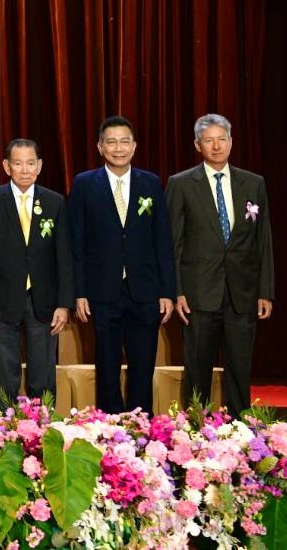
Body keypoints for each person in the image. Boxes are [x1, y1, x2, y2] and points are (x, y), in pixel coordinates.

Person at [68, 116, 175, 415]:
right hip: (102, 290)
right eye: (111, 142)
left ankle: (142, 424)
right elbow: (75, 242)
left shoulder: (150, 183)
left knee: (143, 363)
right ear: (100, 147)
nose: (119, 148)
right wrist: (79, 292)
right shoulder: (84, 184)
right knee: (107, 364)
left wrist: (167, 291)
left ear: (134, 146)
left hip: (145, 289)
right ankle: (111, 425)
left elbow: (163, 241)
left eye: (125, 142)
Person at [168, 114, 275, 410]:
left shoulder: (253, 183)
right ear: (197, 145)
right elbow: (173, 243)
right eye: (208, 141)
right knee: (197, 370)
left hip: (242, 293)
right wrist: (176, 291)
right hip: (198, 293)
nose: (216, 146)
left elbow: (263, 240)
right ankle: (195, 427)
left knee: (240, 369)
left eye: (221, 139)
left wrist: (265, 291)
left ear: (231, 141)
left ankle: (240, 427)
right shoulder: (181, 184)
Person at [0, 138, 73, 404]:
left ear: (39, 166)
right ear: (7, 166)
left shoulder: (55, 201)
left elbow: (64, 256)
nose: (25, 169)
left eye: (30, 163)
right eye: (18, 164)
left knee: (43, 373)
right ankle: (3, 424)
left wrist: (64, 304)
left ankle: (42, 423)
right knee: (5, 374)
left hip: (45, 301)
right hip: (1, 300)